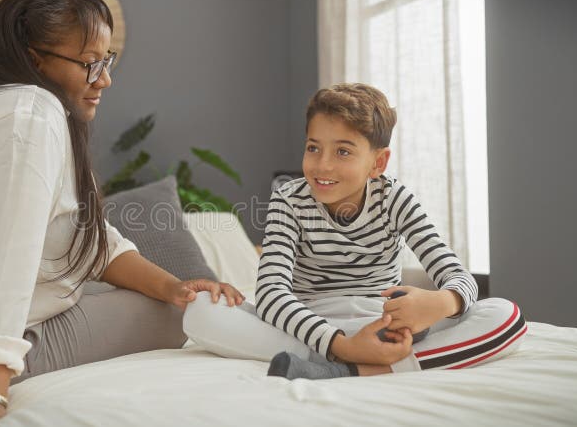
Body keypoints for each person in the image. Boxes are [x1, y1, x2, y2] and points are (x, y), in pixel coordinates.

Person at [0, 0, 243, 426]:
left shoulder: (16, 108)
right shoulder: (27, 115)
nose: (104, 79)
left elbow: (91, 240)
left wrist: (174, 286)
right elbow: (4, 259)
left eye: (107, 62)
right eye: (89, 64)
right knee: (168, 317)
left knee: (167, 300)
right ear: (34, 58)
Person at [183, 83, 526, 379]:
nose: (322, 165)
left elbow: (458, 275)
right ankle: (350, 357)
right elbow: (272, 295)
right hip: (312, 324)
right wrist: (342, 344)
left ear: (378, 163)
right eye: (313, 147)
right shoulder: (288, 201)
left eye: (343, 151)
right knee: (200, 311)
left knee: (506, 316)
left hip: (381, 321)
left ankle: (347, 369)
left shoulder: (395, 199)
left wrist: (439, 303)